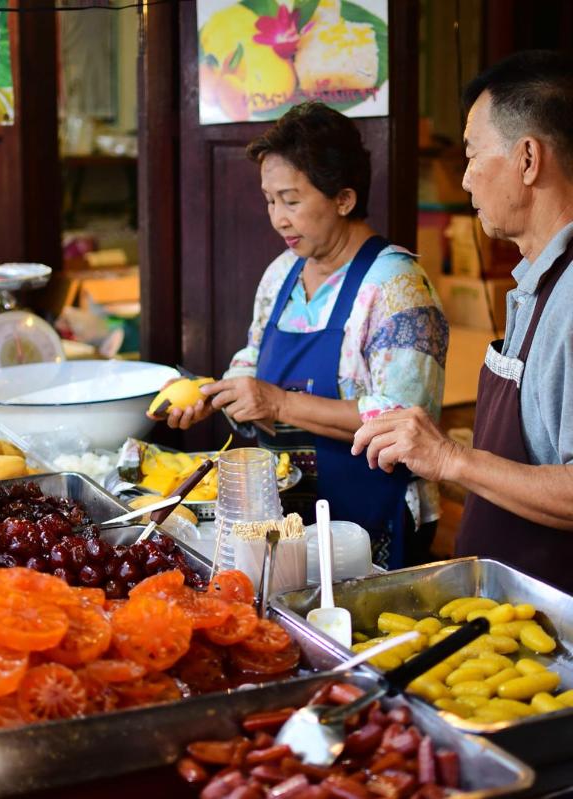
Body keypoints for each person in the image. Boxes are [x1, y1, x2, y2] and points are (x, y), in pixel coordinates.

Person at [157, 102, 448, 570]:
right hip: (293, 515)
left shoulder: (397, 287)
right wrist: (218, 394)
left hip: (374, 517)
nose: (278, 218)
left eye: (291, 200)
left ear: (343, 199)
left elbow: (404, 422)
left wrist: (278, 403)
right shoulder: (283, 274)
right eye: (270, 200)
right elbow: (251, 357)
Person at [352, 51, 573, 589]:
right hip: (510, 603)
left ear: (527, 160)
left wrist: (452, 458)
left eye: (472, 155)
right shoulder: (537, 280)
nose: (467, 180)